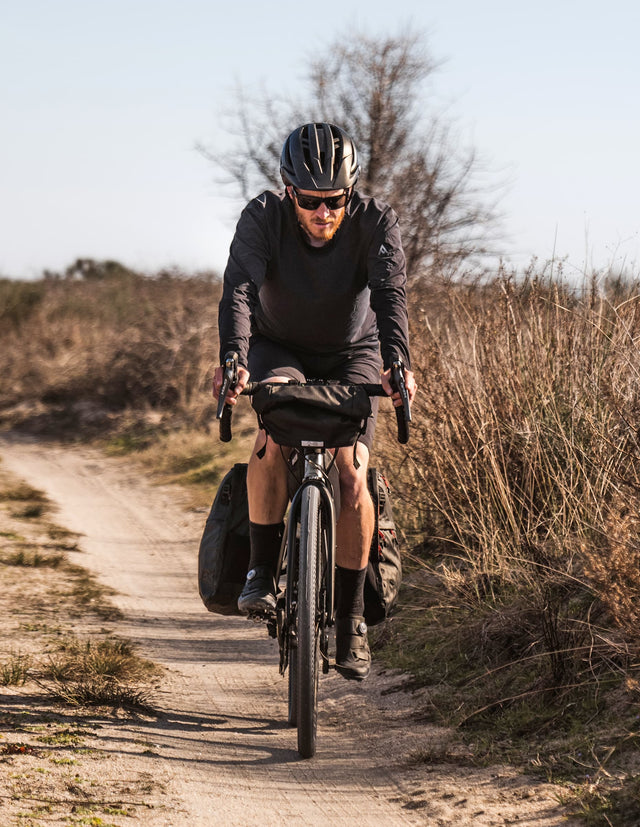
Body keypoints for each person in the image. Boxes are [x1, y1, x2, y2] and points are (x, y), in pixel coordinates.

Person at [213, 122, 417, 681]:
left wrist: (398, 363)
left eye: (334, 201)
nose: (324, 213)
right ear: (289, 192)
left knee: (351, 473)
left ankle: (350, 620)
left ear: (348, 193)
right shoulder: (261, 217)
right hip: (279, 347)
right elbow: (239, 290)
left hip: (355, 351)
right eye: (311, 201)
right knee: (272, 438)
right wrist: (233, 359)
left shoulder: (377, 222)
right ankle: (259, 571)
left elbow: (390, 295)